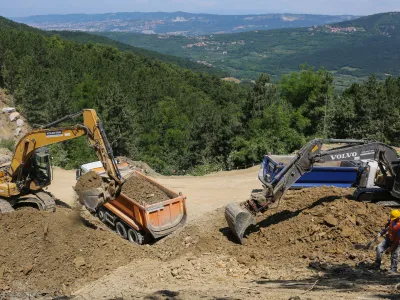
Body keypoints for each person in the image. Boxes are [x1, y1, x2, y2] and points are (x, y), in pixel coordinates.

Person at [375, 209, 400, 274]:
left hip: (396, 242)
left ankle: (393, 269)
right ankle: (377, 265)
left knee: (394, 255)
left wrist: (390, 249)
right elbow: (388, 227)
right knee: (379, 247)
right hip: (388, 238)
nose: (392, 219)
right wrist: (381, 233)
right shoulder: (392, 220)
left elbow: (397, 241)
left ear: (398, 217)